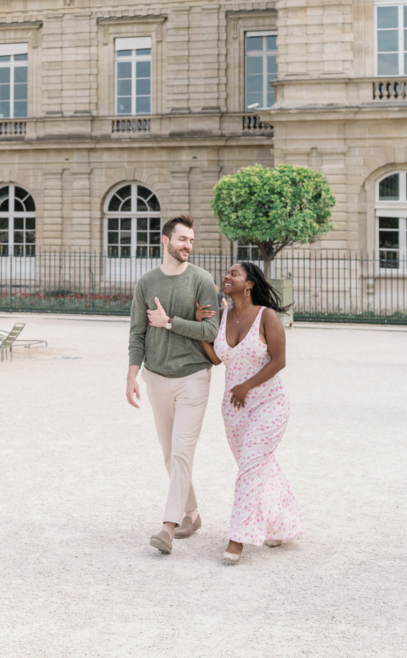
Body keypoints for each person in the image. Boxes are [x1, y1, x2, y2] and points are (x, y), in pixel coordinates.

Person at [126, 215, 219, 555]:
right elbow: (137, 331)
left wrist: (170, 323)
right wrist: (132, 374)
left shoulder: (202, 281)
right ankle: (192, 514)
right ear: (165, 241)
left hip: (194, 375)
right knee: (169, 454)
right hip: (157, 377)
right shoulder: (146, 282)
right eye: (182, 239)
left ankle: (168, 526)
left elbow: (211, 332)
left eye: (191, 240)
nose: (188, 246)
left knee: (182, 451)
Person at [209, 260, 303, 564]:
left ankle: (237, 539)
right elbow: (216, 359)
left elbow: (279, 361)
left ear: (249, 284)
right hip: (234, 410)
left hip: (269, 405)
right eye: (227, 272)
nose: (227, 276)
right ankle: (283, 524)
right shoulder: (222, 316)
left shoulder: (267, 317)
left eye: (234, 273)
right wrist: (200, 330)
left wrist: (246, 386)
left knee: (250, 468)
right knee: (261, 466)